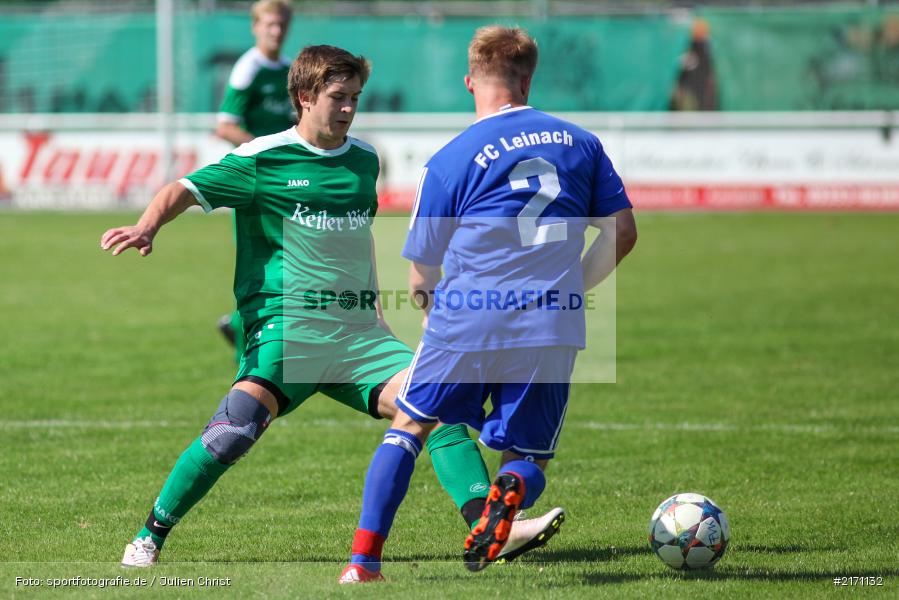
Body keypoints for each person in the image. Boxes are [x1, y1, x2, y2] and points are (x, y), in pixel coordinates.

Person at [102, 43, 561, 568]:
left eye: (355, 98)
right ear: (303, 97)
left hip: (359, 336)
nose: (348, 108)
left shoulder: (364, 161)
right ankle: (149, 536)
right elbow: (182, 188)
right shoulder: (261, 159)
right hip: (287, 331)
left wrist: (377, 312)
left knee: (436, 407)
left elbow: (360, 236)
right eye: (338, 97)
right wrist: (146, 226)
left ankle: (491, 528)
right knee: (233, 431)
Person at [339, 26, 637, 583]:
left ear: (470, 81)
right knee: (529, 456)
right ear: (528, 78)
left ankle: (362, 563)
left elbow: (421, 270)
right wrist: (569, 287)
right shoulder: (582, 143)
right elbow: (622, 233)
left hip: (467, 318)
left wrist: (431, 309)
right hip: (551, 323)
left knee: (409, 428)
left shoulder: (450, 159)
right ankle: (512, 493)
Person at [214, 0, 296, 361]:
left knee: (285, 264)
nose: (275, 31)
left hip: (285, 183)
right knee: (258, 268)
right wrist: (264, 150)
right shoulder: (248, 69)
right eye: (268, 24)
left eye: (280, 24)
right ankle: (246, 360)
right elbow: (225, 125)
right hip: (254, 181)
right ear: (255, 26)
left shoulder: (290, 71)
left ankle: (236, 326)